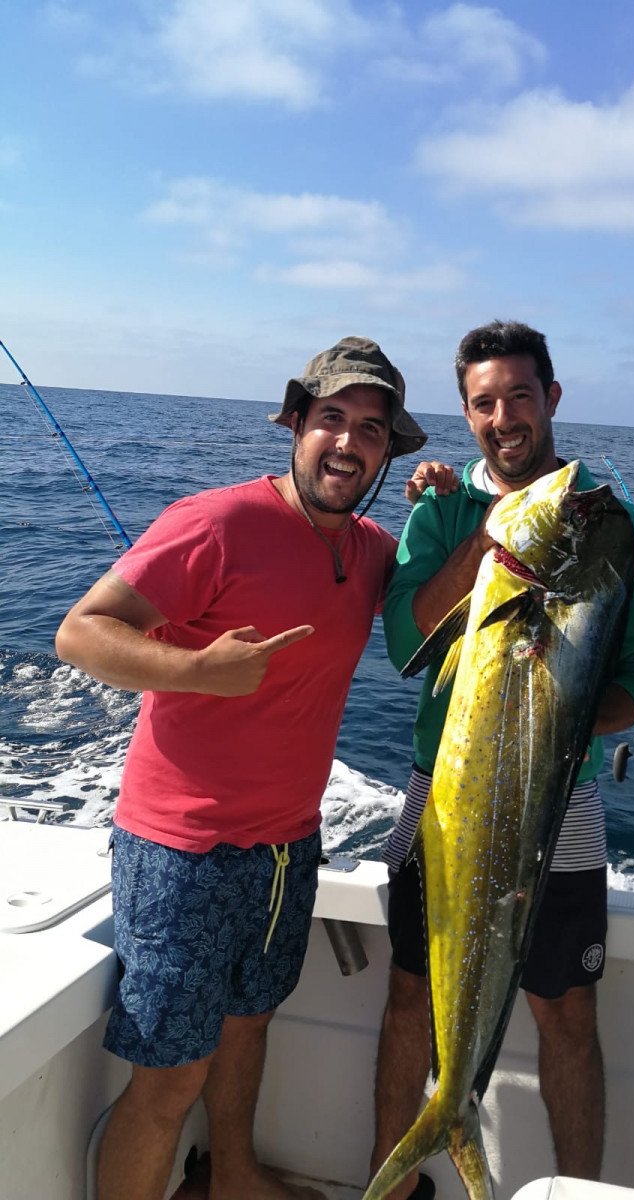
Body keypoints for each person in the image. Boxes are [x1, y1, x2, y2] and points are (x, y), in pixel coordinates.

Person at [55, 337, 447, 1200]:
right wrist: (196, 671)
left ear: (389, 450)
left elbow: (431, 602)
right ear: (296, 425)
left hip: (286, 847)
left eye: (371, 430)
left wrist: (445, 500)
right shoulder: (216, 521)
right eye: (331, 420)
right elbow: (80, 630)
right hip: (182, 851)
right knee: (168, 1081)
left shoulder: (375, 548)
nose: (347, 443)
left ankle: (233, 1177)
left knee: (249, 1024)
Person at [368, 320, 634, 1198]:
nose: (504, 417)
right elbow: (403, 641)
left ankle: (577, 1191)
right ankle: (390, 1183)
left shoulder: (621, 529)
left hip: (561, 797)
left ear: (552, 399)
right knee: (406, 1000)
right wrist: (485, 545)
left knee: (567, 1011)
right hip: (443, 790)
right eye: (483, 402)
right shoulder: (441, 509)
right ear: (465, 413)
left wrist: (567, 730)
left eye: (519, 396)